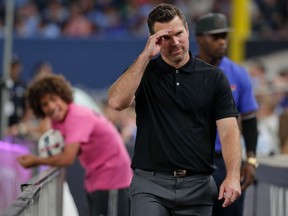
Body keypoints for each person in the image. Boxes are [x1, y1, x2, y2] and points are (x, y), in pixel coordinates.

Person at [108, 3, 242, 216]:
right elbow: (116, 102)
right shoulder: (143, 72)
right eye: (166, 38)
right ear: (154, 40)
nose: (175, 42)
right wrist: (144, 56)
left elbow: (229, 131)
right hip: (150, 185)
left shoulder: (214, 78)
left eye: (179, 33)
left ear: (187, 29)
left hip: (198, 185)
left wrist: (233, 176)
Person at [17, 74, 133, 216]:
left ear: (63, 96)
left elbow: (67, 158)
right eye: (45, 104)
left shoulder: (76, 115)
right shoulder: (58, 120)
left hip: (113, 179)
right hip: (95, 179)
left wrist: (35, 160)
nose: (51, 106)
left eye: (53, 99)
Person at [194, 13, 259, 216]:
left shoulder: (238, 73)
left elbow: (249, 119)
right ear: (199, 38)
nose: (222, 41)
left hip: (226, 160)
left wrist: (250, 160)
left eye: (224, 36)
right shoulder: (186, 70)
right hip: (192, 159)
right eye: (216, 37)